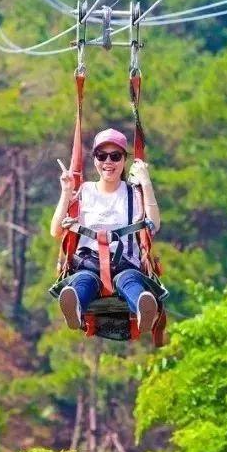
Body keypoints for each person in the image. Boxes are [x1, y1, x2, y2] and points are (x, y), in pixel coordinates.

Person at [50, 128, 162, 332]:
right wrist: (66, 192)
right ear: (95, 160)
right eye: (102, 156)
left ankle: (142, 308)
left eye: (115, 156)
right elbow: (56, 231)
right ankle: (74, 308)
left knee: (129, 281)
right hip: (88, 263)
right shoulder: (83, 191)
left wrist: (146, 183)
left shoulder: (134, 193)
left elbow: (154, 224)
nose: (108, 162)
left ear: (123, 160)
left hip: (125, 263)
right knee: (84, 281)